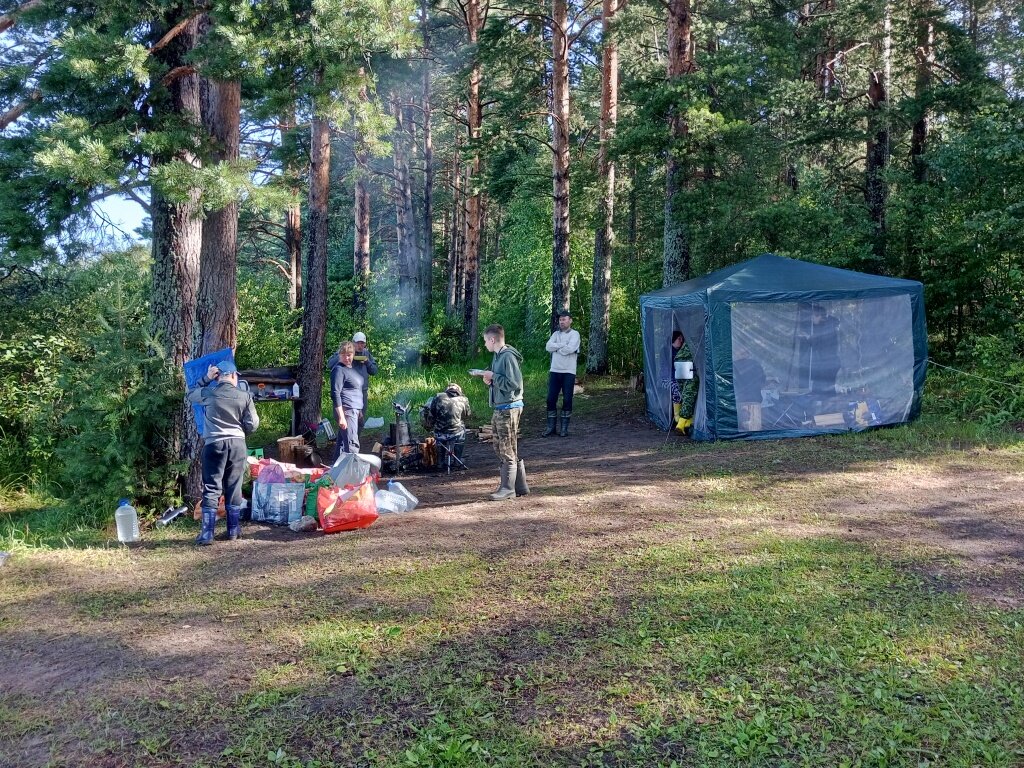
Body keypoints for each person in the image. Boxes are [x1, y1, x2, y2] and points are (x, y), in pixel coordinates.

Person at [187, 359, 259, 546]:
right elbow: (253, 424)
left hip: (214, 444)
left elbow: (190, 394)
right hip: (237, 444)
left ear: (218, 377)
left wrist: (205, 378)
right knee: (234, 485)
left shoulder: (209, 393)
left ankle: (207, 534)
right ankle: (233, 530)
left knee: (212, 486)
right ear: (234, 376)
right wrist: (242, 432)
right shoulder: (245, 396)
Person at [477, 324, 529, 500]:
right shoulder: (497, 356)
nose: (485, 344)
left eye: (485, 341)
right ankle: (520, 486)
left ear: (492, 339)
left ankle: (508, 489)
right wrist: (490, 381)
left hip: (509, 407)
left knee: (506, 446)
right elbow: (501, 381)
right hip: (501, 406)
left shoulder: (507, 357)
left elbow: (514, 384)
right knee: (502, 445)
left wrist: (494, 377)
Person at [543, 310, 581, 437]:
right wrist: (562, 345)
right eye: (560, 320)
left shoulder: (575, 334)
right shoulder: (555, 334)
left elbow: (570, 349)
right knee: (550, 399)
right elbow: (548, 347)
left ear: (570, 320)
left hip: (568, 371)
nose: (562, 322)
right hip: (555, 370)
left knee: (567, 399)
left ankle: (564, 429)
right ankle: (551, 428)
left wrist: (558, 348)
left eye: (564, 319)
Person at [328, 331, 377, 425]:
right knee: (345, 422)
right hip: (346, 394)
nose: (360, 345)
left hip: (362, 393)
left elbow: (374, 371)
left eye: (362, 343)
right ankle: (349, 439)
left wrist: (367, 362)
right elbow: (329, 364)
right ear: (353, 342)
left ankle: (355, 439)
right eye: (358, 343)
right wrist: (346, 356)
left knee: (360, 422)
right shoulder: (345, 352)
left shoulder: (366, 354)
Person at [330, 341, 364, 458]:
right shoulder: (338, 370)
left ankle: (335, 469)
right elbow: (335, 394)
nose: (346, 357)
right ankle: (352, 473)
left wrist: (359, 411)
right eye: (343, 354)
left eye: (349, 354)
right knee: (351, 444)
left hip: (354, 410)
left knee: (341, 443)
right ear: (339, 355)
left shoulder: (351, 369)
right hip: (346, 411)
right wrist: (341, 417)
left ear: (353, 354)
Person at [806, 304, 840, 394]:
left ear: (819, 316)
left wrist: (808, 338)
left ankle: (829, 406)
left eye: (813, 316)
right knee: (825, 388)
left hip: (828, 363)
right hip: (829, 362)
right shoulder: (828, 325)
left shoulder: (826, 328)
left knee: (824, 389)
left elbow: (817, 344)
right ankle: (827, 405)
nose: (811, 319)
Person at [671, 330, 700, 435]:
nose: (681, 340)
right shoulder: (695, 344)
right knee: (689, 396)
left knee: (686, 396)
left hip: (680, 375)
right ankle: (681, 423)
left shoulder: (684, 347)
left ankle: (686, 423)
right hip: (687, 375)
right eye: (679, 338)